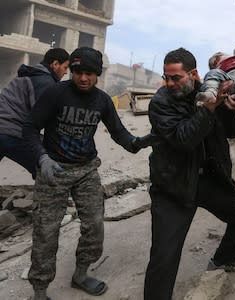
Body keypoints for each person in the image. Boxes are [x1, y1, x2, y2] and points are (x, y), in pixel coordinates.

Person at [23, 47, 147, 300]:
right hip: (53, 170)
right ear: (71, 70)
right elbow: (30, 128)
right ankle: (39, 291)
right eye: (78, 72)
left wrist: (136, 143)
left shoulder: (102, 100)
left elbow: (118, 131)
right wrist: (41, 158)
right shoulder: (55, 93)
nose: (83, 78)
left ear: (97, 75)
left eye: (89, 73)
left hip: (86, 170)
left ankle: (80, 274)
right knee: (46, 232)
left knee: (94, 225)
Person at [143, 47, 235, 300]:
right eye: (167, 77)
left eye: (176, 77)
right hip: (173, 186)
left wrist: (232, 108)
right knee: (164, 256)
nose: (170, 83)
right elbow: (183, 139)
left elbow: (231, 132)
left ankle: (224, 260)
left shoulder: (211, 91)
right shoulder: (160, 103)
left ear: (193, 74)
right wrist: (207, 109)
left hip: (208, 179)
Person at [0, 48, 69, 178]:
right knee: (48, 167)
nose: (66, 72)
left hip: (4, 128)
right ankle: (46, 197)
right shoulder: (46, 82)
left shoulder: (32, 74)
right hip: (11, 131)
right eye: (65, 67)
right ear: (55, 64)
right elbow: (47, 118)